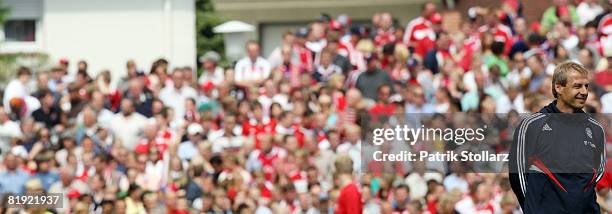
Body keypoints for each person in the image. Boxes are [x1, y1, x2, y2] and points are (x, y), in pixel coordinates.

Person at [509, 61, 606, 213]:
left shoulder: (596, 129)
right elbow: (517, 175)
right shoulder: (533, 125)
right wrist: (533, 209)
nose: (584, 91)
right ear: (558, 87)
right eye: (577, 86)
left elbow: (598, 172)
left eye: (586, 86)